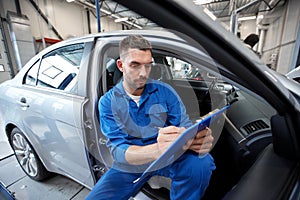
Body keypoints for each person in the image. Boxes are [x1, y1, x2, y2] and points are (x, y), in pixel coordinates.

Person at [86, 35, 216, 200]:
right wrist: (157, 149)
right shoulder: (107, 102)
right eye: (135, 65)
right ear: (121, 65)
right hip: (131, 164)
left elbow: (184, 126)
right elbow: (118, 150)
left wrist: (197, 139)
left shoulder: (166, 92)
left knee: (201, 163)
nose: (143, 73)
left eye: (148, 65)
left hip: (169, 157)